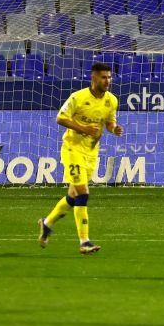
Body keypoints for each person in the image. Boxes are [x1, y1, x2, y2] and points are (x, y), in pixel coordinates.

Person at [38, 62, 123, 255]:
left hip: (91, 153)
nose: (107, 81)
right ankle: (84, 242)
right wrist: (83, 128)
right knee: (83, 193)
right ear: (93, 78)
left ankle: (47, 223)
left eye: (109, 77)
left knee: (73, 196)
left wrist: (113, 129)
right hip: (72, 149)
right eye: (103, 77)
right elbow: (61, 118)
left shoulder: (112, 100)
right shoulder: (78, 97)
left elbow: (109, 121)